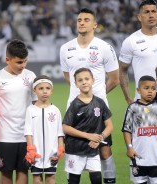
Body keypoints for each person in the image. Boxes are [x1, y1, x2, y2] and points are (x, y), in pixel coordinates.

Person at [60, 8, 119, 184]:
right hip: (74, 108)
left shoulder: (104, 47)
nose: (82, 22)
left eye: (86, 19)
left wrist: (94, 100)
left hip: (98, 111)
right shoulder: (65, 48)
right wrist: (82, 100)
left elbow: (114, 79)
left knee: (104, 150)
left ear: (94, 24)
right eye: (79, 20)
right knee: (72, 150)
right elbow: (68, 78)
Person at [0, 39, 37, 184]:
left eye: (25, 61)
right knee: (6, 171)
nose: (23, 65)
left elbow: (35, 103)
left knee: (23, 170)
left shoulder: (31, 76)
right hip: (6, 135)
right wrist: (1, 122)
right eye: (19, 62)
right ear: (7, 60)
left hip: (26, 134)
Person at [63, 68, 114, 184]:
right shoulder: (74, 105)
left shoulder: (100, 103)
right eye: (80, 80)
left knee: (96, 178)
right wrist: (88, 136)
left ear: (93, 80)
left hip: (93, 147)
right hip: (75, 148)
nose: (84, 82)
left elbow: (110, 126)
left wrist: (99, 138)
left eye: (87, 79)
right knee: (74, 180)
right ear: (76, 84)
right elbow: (65, 127)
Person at [121, 75, 157, 184]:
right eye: (146, 88)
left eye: (153, 89)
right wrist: (129, 147)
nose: (150, 91)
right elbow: (127, 130)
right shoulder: (133, 108)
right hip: (138, 159)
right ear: (138, 90)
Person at [24, 75, 65, 184]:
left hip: (52, 152)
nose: (44, 91)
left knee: (51, 178)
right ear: (34, 91)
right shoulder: (30, 110)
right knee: (36, 178)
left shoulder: (55, 110)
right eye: (41, 88)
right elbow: (28, 132)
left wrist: (60, 147)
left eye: (47, 88)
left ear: (52, 91)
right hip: (36, 152)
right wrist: (30, 149)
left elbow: (60, 132)